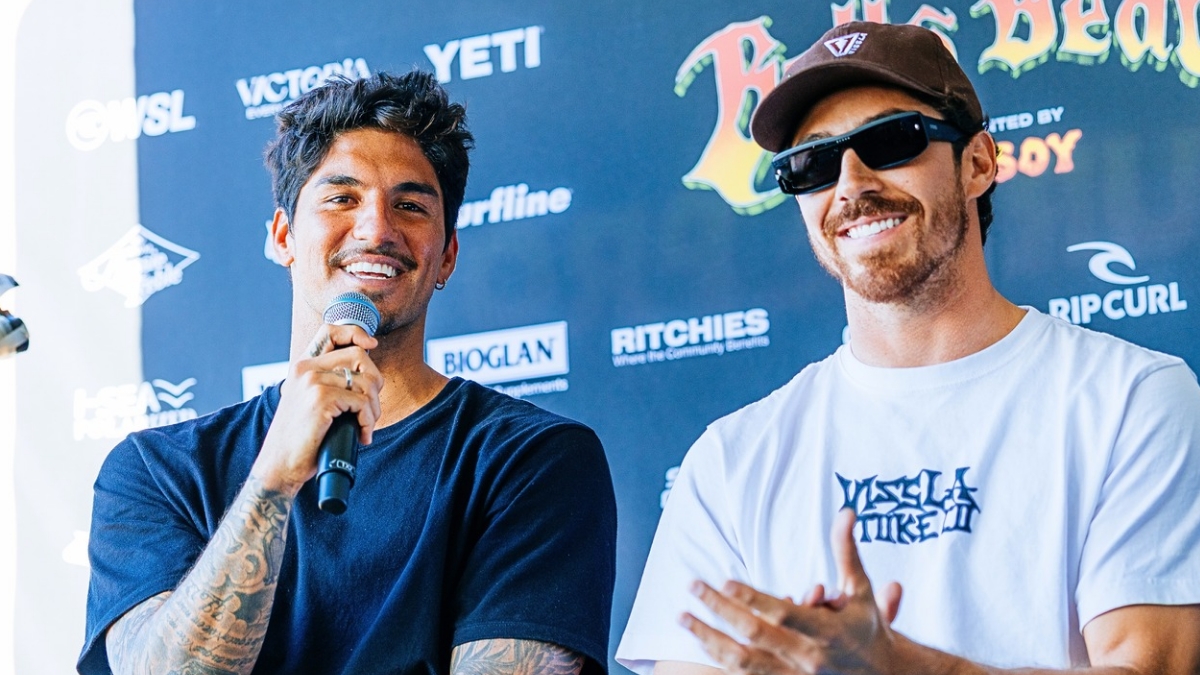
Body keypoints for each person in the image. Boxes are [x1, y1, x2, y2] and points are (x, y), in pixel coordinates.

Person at [616, 21, 1200, 675]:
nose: (851, 183)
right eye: (812, 164)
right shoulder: (730, 460)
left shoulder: (1132, 397)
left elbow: (1148, 667)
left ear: (978, 163)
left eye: (892, 140)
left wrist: (900, 667)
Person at [78, 71, 617, 675]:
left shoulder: (533, 458)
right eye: (342, 198)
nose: (377, 230)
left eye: (410, 206)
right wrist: (274, 478)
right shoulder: (158, 470)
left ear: (447, 256)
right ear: (284, 236)